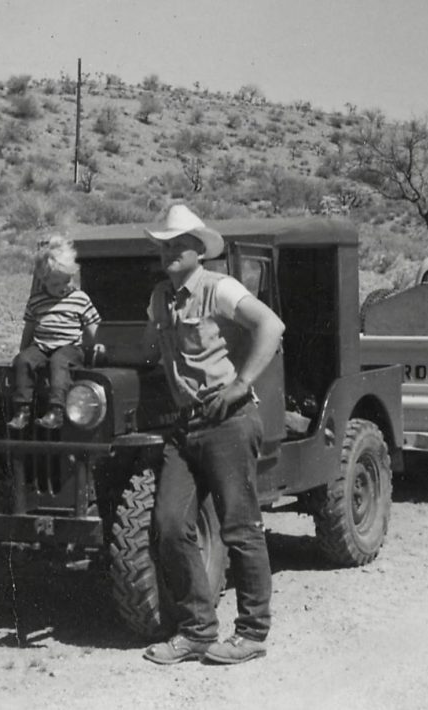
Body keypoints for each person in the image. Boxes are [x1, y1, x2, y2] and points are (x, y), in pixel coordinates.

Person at [141, 204, 285, 666]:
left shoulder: (220, 288)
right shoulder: (159, 299)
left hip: (228, 419)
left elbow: (271, 325)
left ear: (197, 249)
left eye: (175, 244)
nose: (166, 251)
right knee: (169, 525)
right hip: (185, 426)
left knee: (240, 528)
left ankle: (252, 633)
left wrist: (242, 384)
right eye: (162, 244)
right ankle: (197, 631)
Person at [7, 236, 100, 430]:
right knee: (23, 361)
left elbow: (93, 326)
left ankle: (57, 410)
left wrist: (95, 347)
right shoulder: (37, 301)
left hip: (70, 347)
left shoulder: (79, 299)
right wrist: (23, 350)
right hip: (41, 346)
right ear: (44, 280)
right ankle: (22, 410)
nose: (62, 288)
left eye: (66, 281)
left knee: (59, 362)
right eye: (55, 285)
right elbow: (30, 328)